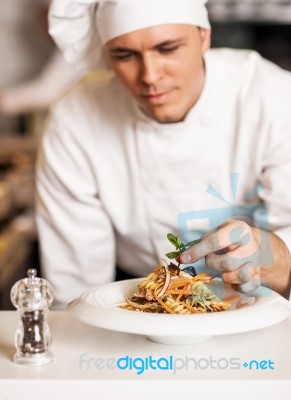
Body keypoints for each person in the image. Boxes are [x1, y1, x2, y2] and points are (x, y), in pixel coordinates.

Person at [36, 0, 291, 309]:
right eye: (125, 54)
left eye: (167, 48)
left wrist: (273, 256)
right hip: (136, 307)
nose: (150, 76)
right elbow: (79, 295)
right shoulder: (76, 123)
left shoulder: (273, 97)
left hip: (266, 305)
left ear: (204, 36)